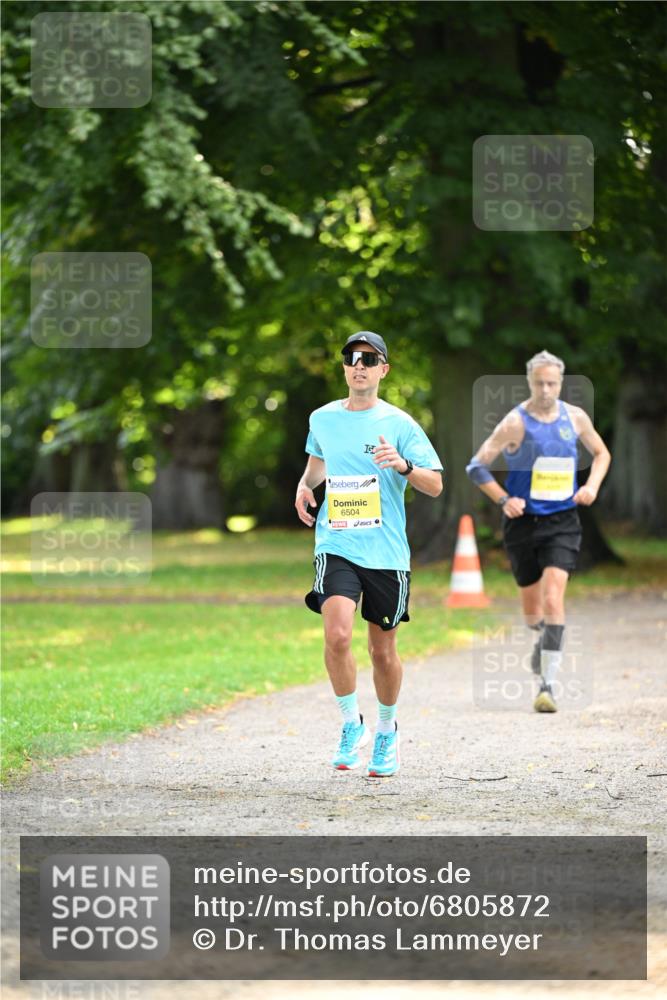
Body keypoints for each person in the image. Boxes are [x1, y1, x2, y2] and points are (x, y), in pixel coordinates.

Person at [295, 332, 443, 776]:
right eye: (351, 358)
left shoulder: (400, 424)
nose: (358, 365)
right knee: (337, 636)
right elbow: (318, 460)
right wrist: (306, 485)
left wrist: (403, 465)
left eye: (369, 359)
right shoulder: (322, 418)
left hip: (386, 553)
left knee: (382, 652)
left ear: (383, 369)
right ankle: (349, 723)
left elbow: (435, 484)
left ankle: (385, 731)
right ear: (344, 368)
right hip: (336, 543)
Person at [466, 349, 611, 713]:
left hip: (562, 521)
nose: (546, 389)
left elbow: (602, 453)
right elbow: (476, 466)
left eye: (552, 383)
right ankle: (543, 640)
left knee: (553, 599)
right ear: (530, 383)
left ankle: (547, 684)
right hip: (522, 523)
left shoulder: (574, 417)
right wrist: (503, 500)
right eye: (539, 383)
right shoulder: (514, 423)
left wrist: (591, 485)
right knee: (533, 614)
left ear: (561, 383)